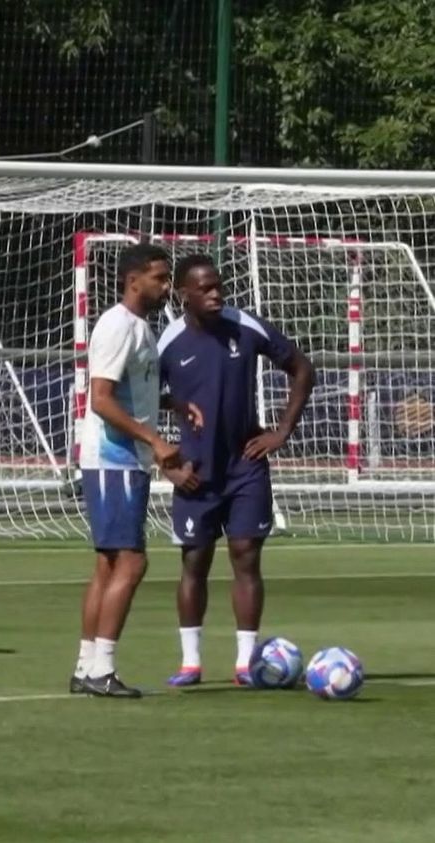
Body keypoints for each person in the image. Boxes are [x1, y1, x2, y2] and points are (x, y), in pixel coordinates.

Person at [157, 254, 315, 687]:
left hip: (246, 467)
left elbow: (303, 368)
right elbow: (138, 402)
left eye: (218, 286)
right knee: (195, 562)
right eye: (204, 288)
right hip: (195, 471)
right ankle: (191, 662)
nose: (215, 294)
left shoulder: (245, 326)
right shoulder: (167, 343)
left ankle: (247, 663)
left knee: (247, 558)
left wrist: (281, 431)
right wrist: (167, 464)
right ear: (182, 294)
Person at [71, 243, 186, 698]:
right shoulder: (119, 326)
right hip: (113, 459)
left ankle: (87, 666)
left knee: (108, 565)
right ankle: (102, 669)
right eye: (159, 278)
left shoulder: (138, 328)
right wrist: (155, 441)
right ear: (133, 279)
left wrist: (171, 405)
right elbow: (100, 399)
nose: (166, 287)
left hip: (119, 461)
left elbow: (127, 397)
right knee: (132, 563)